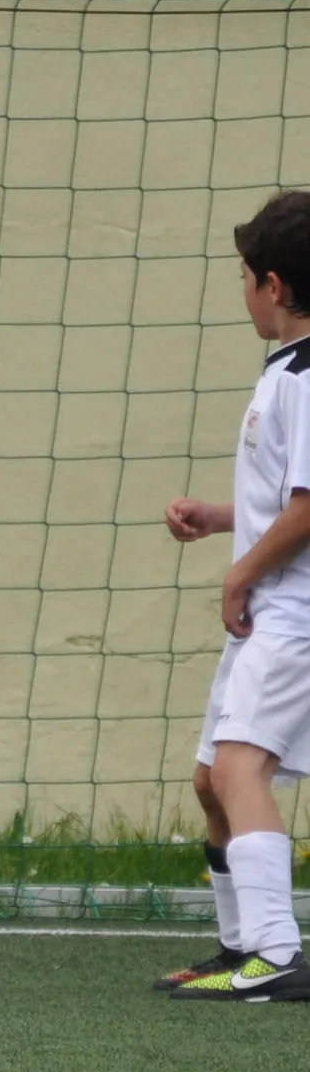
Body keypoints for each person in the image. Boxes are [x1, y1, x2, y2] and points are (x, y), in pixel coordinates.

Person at [162, 189, 310, 1003]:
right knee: (210, 779)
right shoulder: (285, 371)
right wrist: (222, 519)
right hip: (269, 608)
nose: (243, 291)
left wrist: (239, 571)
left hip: (294, 614)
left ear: (273, 284)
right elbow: (284, 500)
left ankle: (277, 955)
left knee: (240, 767)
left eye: (246, 277)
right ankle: (239, 948)